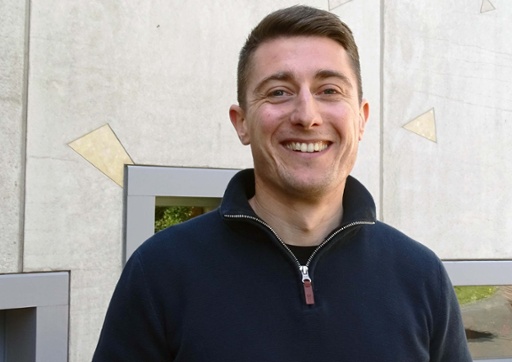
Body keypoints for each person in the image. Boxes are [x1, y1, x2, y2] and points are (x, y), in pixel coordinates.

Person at [93, 5, 472, 361]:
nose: (307, 115)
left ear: (361, 119)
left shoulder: (421, 277)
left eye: (329, 91)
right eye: (278, 92)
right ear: (241, 122)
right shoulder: (160, 273)